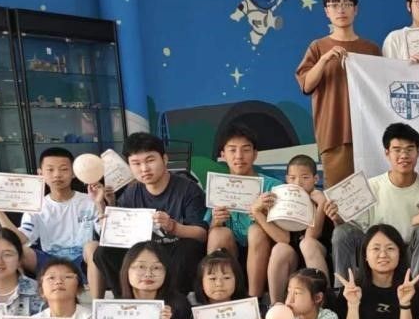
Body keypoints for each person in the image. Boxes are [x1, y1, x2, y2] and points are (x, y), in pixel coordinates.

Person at [87, 132, 207, 299]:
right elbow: (116, 235)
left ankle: (174, 299)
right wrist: (101, 205)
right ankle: (125, 299)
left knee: (189, 247)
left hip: (174, 252)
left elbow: (201, 234)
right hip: (142, 254)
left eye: (150, 160)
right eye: (136, 163)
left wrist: (173, 227)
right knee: (103, 252)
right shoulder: (132, 193)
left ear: (164, 159)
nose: (144, 169)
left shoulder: (188, 189)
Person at [294, 0, 382, 187]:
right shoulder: (318, 47)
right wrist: (324, 59)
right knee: (340, 194)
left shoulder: (371, 48)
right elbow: (306, 85)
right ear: (326, 11)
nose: (341, 10)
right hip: (334, 131)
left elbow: (383, 87)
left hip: (370, 131)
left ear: (355, 9)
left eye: (346, 4)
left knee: (373, 191)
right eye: (334, 5)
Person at [325, 123, 419, 278]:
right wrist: (338, 219)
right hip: (374, 253)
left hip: (409, 254)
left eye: (409, 149)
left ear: (418, 152)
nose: (404, 155)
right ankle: (343, 289)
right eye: (397, 150)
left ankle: (416, 286)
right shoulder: (370, 187)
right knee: (342, 232)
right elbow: (353, 230)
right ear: (387, 153)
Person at [0, 146, 95, 278]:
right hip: (48, 260)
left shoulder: (89, 200)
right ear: (40, 173)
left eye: (64, 169)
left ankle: (95, 291)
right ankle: (23, 288)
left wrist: (102, 203)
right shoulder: (36, 205)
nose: (57, 174)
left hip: (82, 258)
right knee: (17, 250)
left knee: (93, 247)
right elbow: (18, 239)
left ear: (74, 173)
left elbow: (104, 232)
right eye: (50, 170)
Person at [205, 122, 283, 298]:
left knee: (256, 230)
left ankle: (254, 299)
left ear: (255, 154)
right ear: (223, 155)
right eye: (232, 150)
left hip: (265, 249)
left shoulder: (273, 187)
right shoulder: (217, 186)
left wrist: (261, 214)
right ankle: (219, 298)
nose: (239, 156)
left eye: (246, 150)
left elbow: (283, 237)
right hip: (232, 250)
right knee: (218, 233)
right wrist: (215, 221)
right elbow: (207, 231)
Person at [265, 155, 331, 303]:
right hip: (293, 258)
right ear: (287, 179)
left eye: (305, 178)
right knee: (280, 248)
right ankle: (276, 306)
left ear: (316, 179)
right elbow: (283, 239)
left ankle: (326, 304)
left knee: (307, 244)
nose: (298, 183)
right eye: (293, 178)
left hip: (317, 255)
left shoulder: (321, 199)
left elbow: (311, 236)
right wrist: (257, 212)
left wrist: (321, 205)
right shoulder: (280, 201)